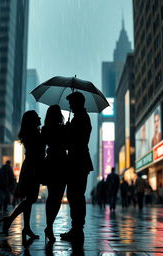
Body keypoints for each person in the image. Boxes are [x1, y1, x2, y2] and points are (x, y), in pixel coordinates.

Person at [0, 110, 45, 241]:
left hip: (31, 167)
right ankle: (10, 220)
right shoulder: (33, 134)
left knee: (30, 199)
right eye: (37, 117)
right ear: (32, 120)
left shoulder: (31, 133)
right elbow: (38, 149)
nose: (39, 118)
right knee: (31, 198)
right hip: (33, 168)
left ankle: (26, 227)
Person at [60, 91, 93, 244]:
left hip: (78, 161)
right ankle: (76, 228)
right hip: (79, 161)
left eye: (71, 103)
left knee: (75, 195)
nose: (70, 106)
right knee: (75, 195)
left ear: (77, 103)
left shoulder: (80, 119)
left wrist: (67, 131)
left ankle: (77, 229)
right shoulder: (80, 118)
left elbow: (74, 142)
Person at [41, 105, 67, 242]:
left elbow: (43, 145)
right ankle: (49, 226)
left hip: (50, 163)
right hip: (62, 163)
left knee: (52, 196)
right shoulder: (63, 129)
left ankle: (49, 226)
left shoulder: (45, 129)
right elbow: (68, 145)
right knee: (57, 198)